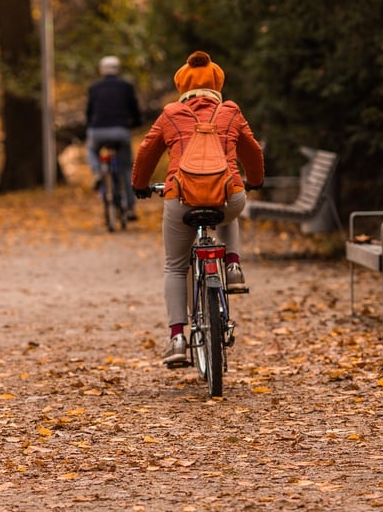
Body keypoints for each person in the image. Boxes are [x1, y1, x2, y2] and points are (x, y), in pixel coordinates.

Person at [131, 50, 264, 367]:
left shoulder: (171, 114)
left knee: (175, 266)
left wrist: (139, 185)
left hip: (180, 198)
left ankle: (177, 338)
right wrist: (254, 180)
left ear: (183, 87)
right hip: (227, 197)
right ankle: (232, 265)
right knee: (229, 197)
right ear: (217, 85)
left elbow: (146, 152)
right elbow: (253, 152)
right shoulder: (230, 112)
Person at [85, 55, 142, 219]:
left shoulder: (94, 87)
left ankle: (97, 173)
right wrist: (136, 123)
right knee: (125, 168)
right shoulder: (126, 86)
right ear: (118, 69)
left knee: (91, 149)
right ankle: (130, 208)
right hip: (121, 131)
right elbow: (134, 108)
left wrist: (90, 124)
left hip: (98, 130)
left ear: (101, 70)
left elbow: (89, 111)